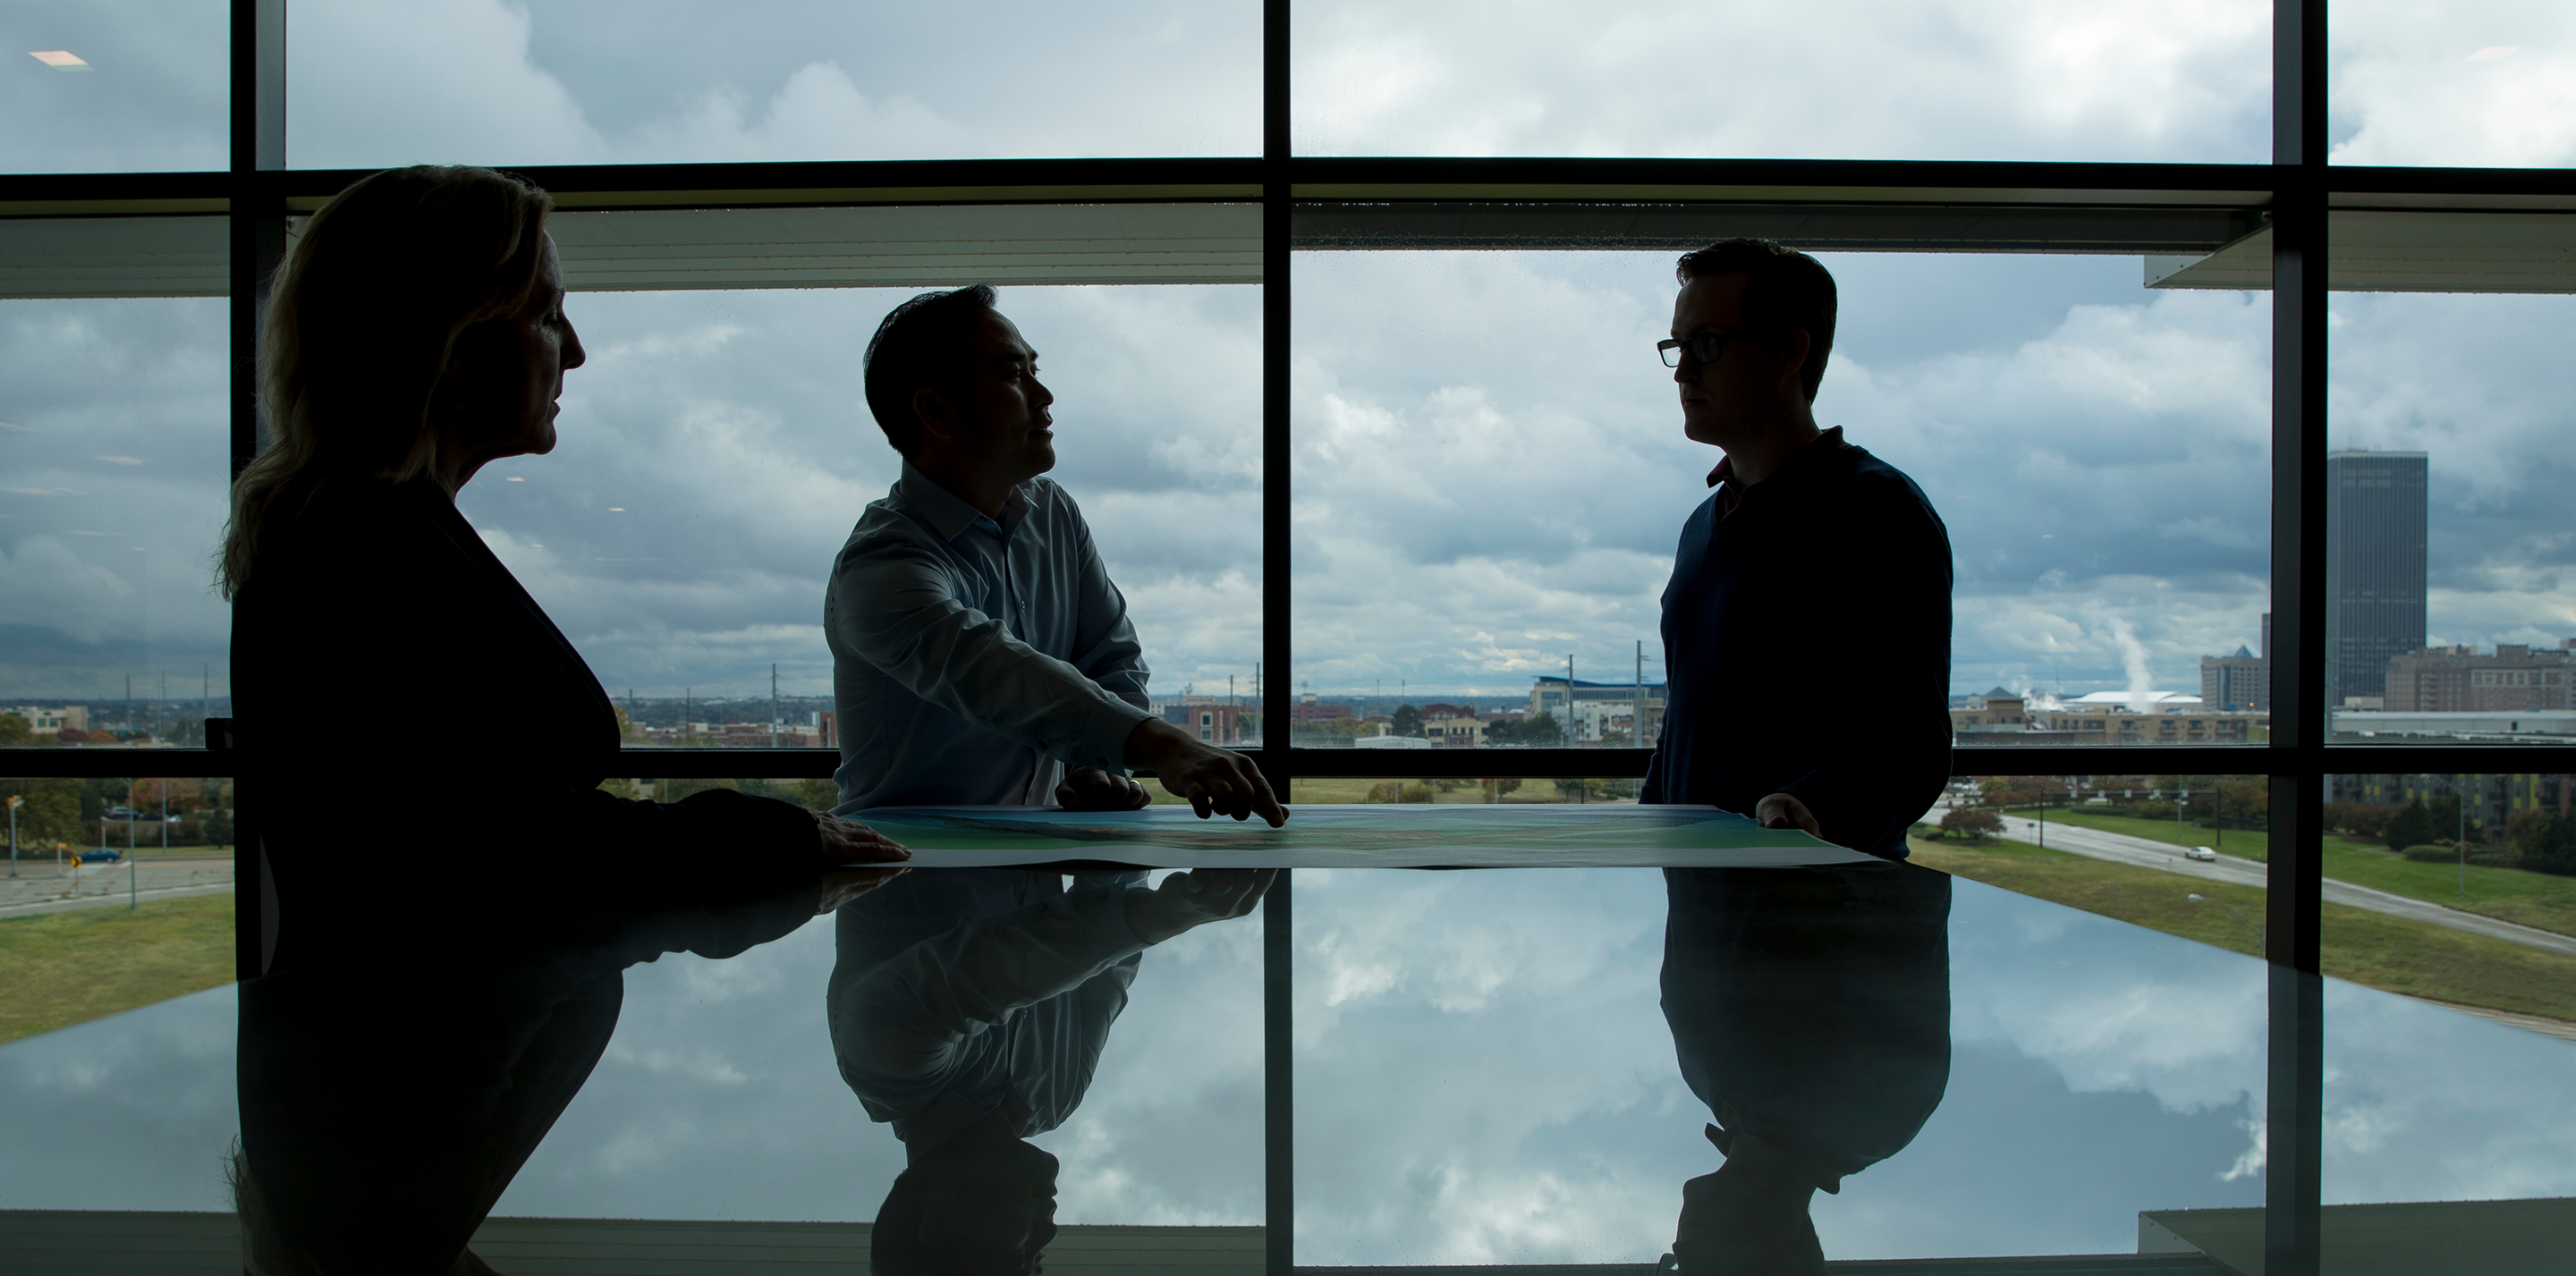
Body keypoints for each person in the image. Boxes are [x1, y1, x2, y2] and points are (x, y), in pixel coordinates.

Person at [221, 165, 910, 1273]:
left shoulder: (373, 532)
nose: (574, 351)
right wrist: (759, 834)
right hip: (399, 1085)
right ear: (445, 334)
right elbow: (480, 848)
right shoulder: (358, 547)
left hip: (402, 1092)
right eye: (546, 312)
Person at [825, 285, 1285, 826]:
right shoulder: (881, 565)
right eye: (1012, 375)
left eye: (1034, 370)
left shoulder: (1053, 514)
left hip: (1041, 880)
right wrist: (1163, 747)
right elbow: (995, 675)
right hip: (909, 882)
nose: (1044, 396)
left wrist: (1108, 766)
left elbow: (1108, 657)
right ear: (934, 411)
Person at [1640, 239, 1953, 858]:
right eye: (1677, 347)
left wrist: (1813, 808)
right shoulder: (1702, 526)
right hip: (1703, 915)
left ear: (1790, 350)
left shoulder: (1878, 513)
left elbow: (1913, 742)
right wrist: (1646, 834)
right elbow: (1687, 725)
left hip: (1827, 921)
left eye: (1707, 344)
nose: (1682, 372)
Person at [830, 866, 1275, 1276]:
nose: (1049, 1234)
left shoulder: (883, 1063)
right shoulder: (1056, 1097)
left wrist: (1168, 913)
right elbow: (1115, 954)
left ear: (940, 1224)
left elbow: (993, 964)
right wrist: (1111, 819)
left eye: (1021, 1258)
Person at [1658, 864, 1953, 1275]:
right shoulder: (1879, 1109)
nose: (1677, 1248)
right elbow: (1910, 893)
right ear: (1772, 1255)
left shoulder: (1708, 1085)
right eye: (1700, 1269)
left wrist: (1668, 803)